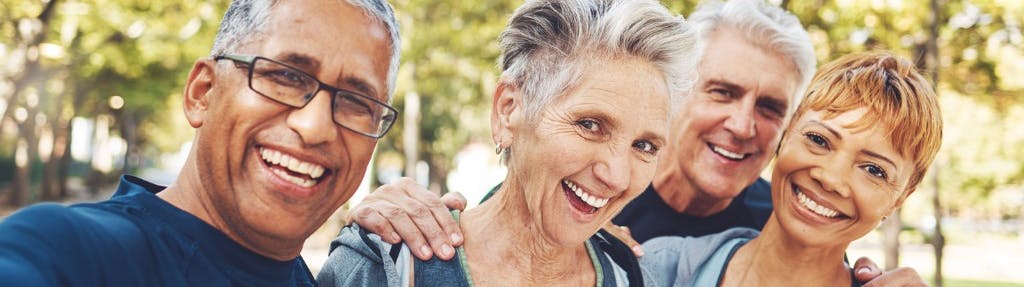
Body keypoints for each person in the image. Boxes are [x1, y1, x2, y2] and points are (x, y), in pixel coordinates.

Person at [344, 0, 925, 285]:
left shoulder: (771, 224)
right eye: (721, 91)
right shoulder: (402, 258)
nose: (743, 126)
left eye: (770, 107)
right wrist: (387, 209)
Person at [0, 0, 400, 286]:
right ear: (202, 93)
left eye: (355, 102)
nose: (315, 127)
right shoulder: (66, 251)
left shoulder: (337, 274)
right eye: (285, 77)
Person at [316, 0, 697, 285]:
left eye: (644, 146)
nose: (616, 175)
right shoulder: (384, 263)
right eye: (590, 125)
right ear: (509, 110)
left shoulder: (633, 275)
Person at [641, 51, 943, 287]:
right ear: (787, 135)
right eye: (818, 139)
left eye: (874, 170)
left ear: (902, 196)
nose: (830, 178)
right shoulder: (656, 268)